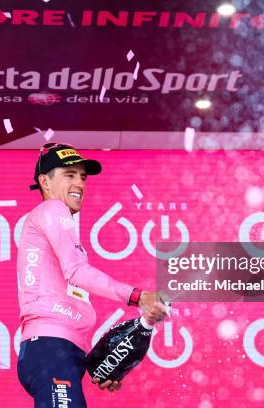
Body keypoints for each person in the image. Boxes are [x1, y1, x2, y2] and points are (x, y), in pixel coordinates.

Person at [16, 143, 168, 407]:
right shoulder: (53, 209)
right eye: (69, 175)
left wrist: (101, 362)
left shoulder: (50, 219)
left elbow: (66, 297)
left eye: (82, 177)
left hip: (57, 353)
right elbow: (76, 271)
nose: (79, 183)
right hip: (51, 351)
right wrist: (139, 296)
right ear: (45, 182)